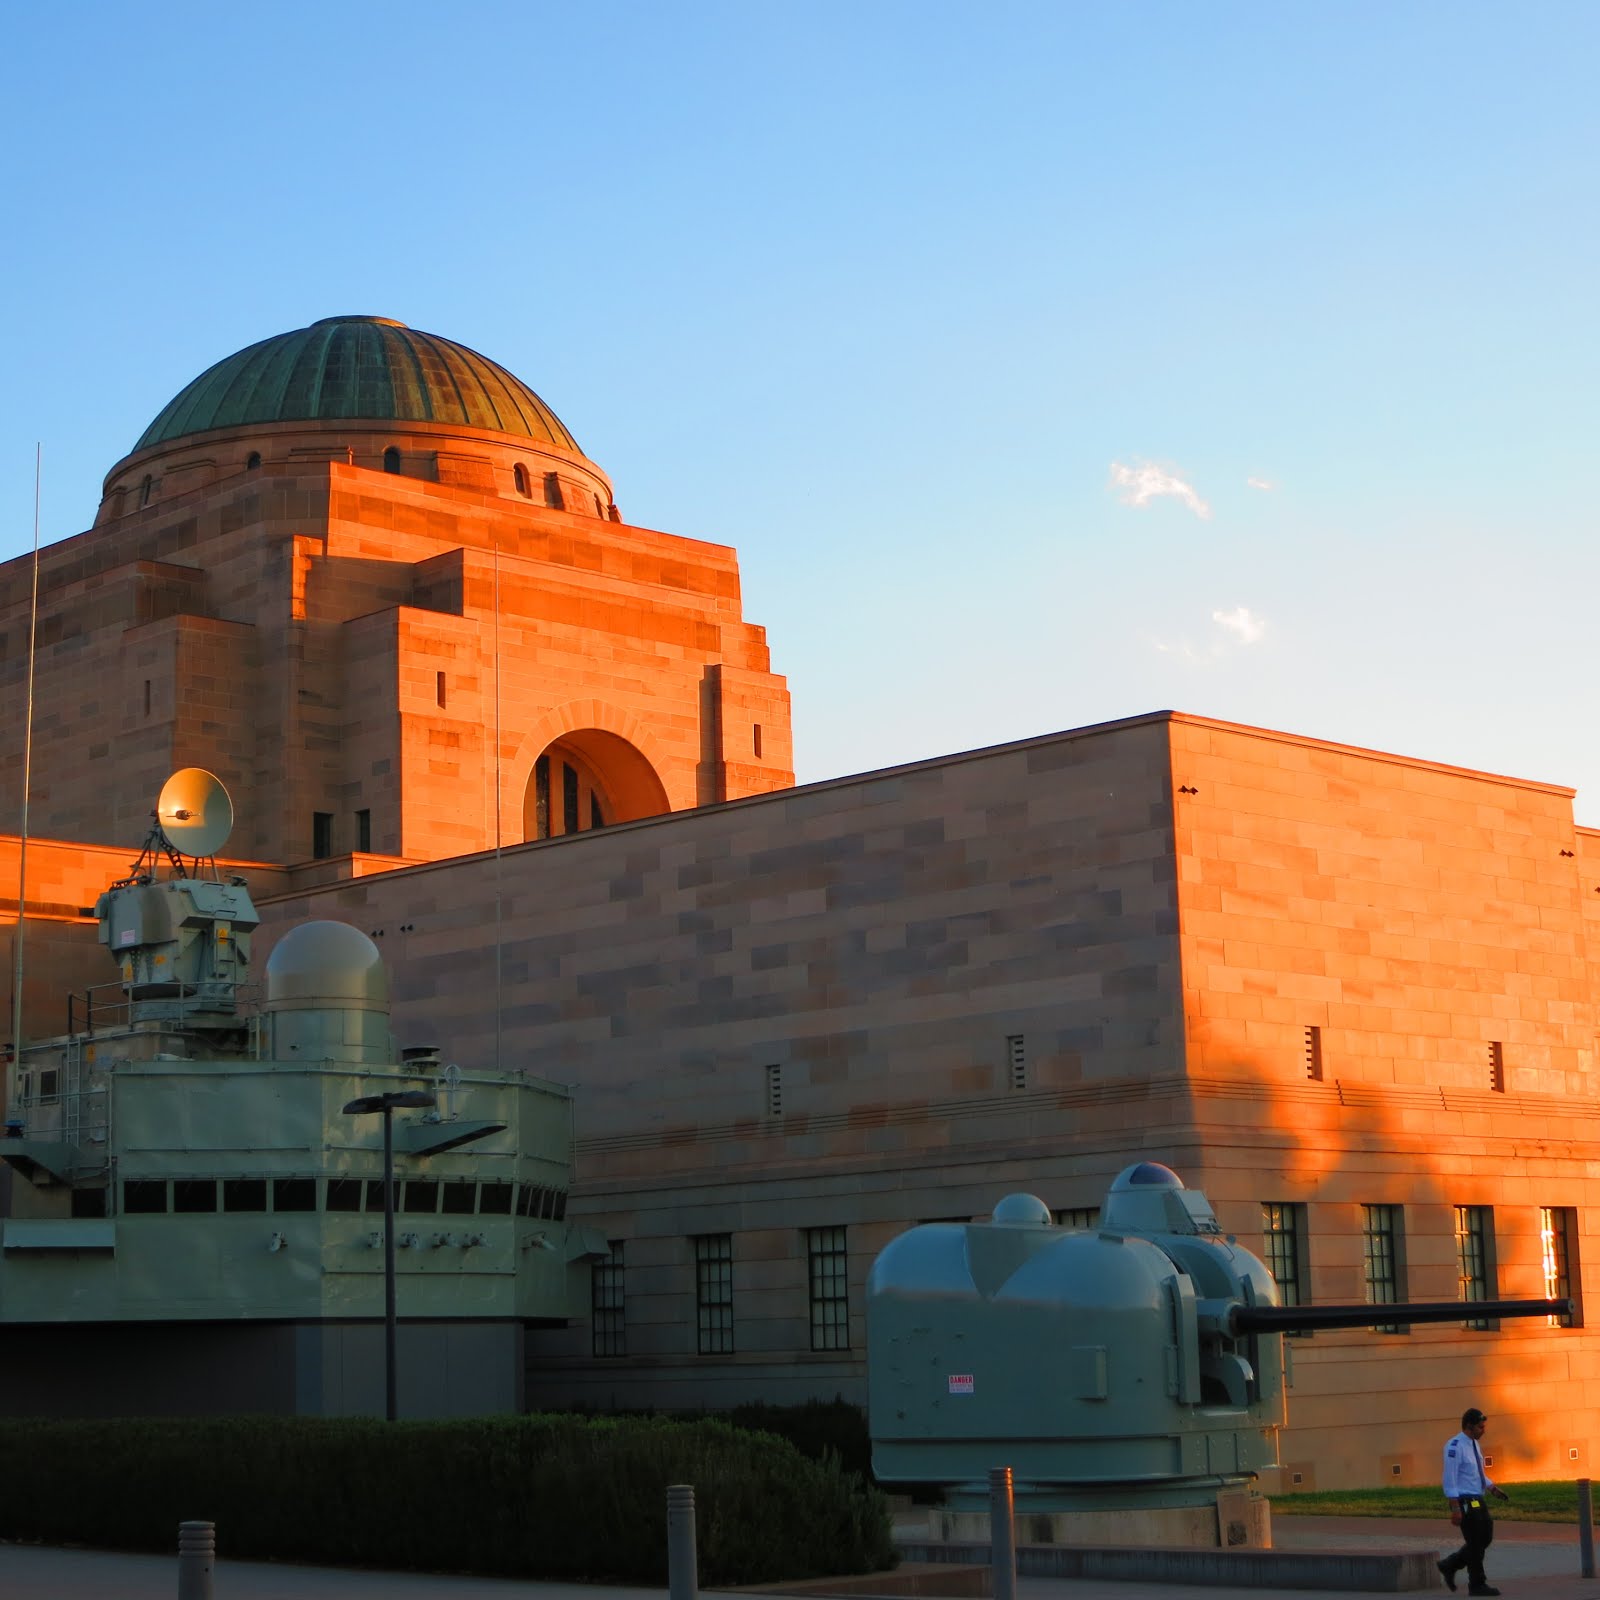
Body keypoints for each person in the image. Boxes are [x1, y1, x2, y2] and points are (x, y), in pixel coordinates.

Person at [1438, 1407, 1509, 1595]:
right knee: (1476, 1541)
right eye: (1480, 1427)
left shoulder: (1474, 1444)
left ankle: (1450, 1564)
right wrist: (1455, 1507)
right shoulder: (1454, 1446)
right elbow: (1450, 1478)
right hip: (1464, 1500)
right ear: (1469, 1427)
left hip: (1477, 1498)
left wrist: (1492, 1487)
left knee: (1484, 1537)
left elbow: (1476, 1473)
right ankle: (1477, 1584)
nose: (1483, 1430)